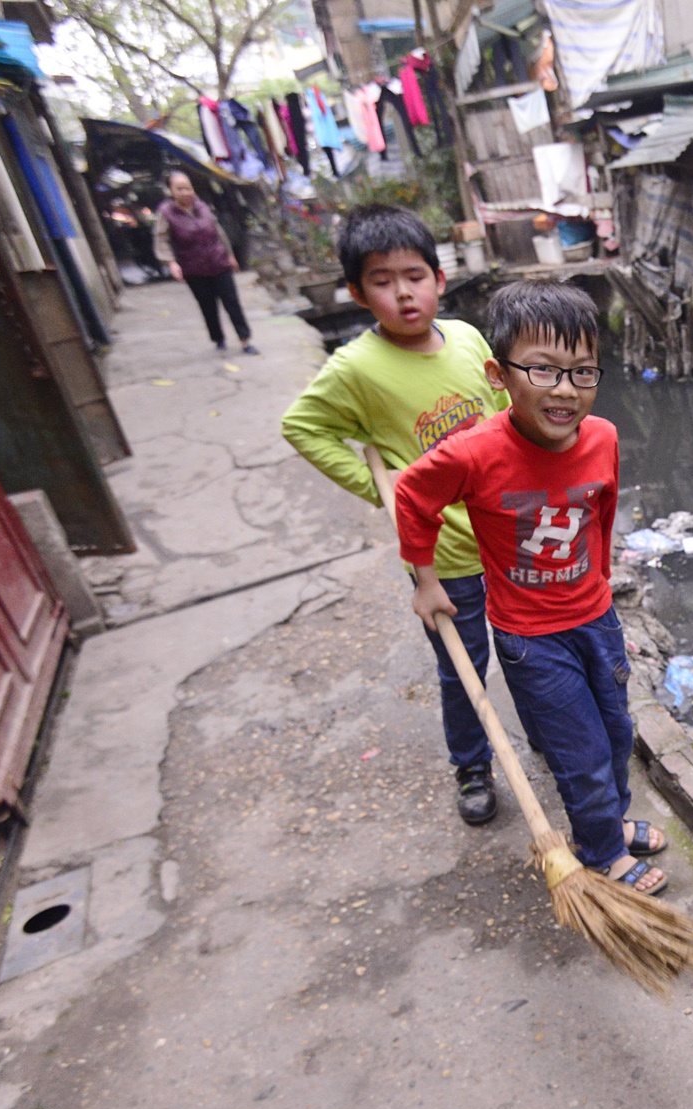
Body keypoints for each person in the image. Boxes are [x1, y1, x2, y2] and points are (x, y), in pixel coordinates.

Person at [394, 280, 670, 893]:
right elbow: (412, 496)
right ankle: (601, 851)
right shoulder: (473, 454)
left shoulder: (604, 436)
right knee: (580, 753)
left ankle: (611, 823)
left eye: (582, 372)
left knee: (616, 733)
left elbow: (602, 510)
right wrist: (425, 580)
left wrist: (601, 579)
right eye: (542, 370)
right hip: (532, 639)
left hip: (596, 619)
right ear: (498, 375)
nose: (565, 390)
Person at [281, 205, 511, 825]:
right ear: (357, 294)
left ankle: (544, 734)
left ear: (440, 278)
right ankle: (472, 765)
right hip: (444, 554)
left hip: (506, 533)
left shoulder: (467, 339)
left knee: (528, 649)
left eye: (415, 276)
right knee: (462, 666)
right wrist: (380, 488)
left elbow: (505, 414)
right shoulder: (355, 369)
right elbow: (302, 426)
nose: (404, 293)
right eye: (382, 281)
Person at [154, 172, 259, 356]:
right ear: (171, 191)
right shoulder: (166, 213)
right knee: (208, 305)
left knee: (232, 302)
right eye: (180, 189)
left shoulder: (202, 206)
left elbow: (218, 232)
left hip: (218, 261)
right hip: (193, 268)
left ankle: (245, 340)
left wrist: (230, 255)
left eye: (188, 188)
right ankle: (218, 338)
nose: (185, 192)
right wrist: (171, 263)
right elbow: (162, 239)